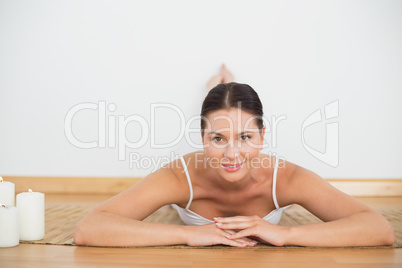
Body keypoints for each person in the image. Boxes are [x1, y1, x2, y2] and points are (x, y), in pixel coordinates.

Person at [74, 65, 395, 248]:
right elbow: (89, 229)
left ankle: (221, 86)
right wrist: (186, 233)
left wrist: (285, 234)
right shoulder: (179, 175)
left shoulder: (285, 177)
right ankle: (219, 87)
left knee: (225, 113)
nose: (232, 154)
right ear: (201, 139)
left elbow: (379, 228)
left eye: (245, 137)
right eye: (217, 138)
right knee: (223, 113)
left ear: (263, 137)